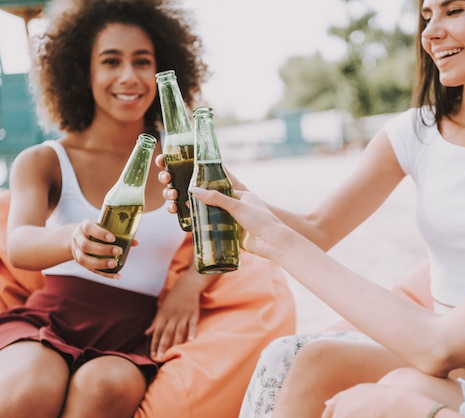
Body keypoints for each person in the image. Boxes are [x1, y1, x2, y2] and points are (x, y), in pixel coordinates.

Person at [185, 0, 465, 415]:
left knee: (401, 387)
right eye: (426, 14)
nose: (432, 31)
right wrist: (230, 195)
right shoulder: (417, 132)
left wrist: (277, 241)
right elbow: (319, 226)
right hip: (449, 332)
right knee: (292, 355)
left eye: (454, 10)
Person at [0, 0, 295, 417]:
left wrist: (189, 287)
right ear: (82, 71)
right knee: (28, 387)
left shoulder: (184, 160)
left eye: (143, 62)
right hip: (52, 319)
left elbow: (230, 227)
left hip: (134, 336)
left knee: (102, 389)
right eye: (110, 61)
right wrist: (74, 239)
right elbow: (19, 244)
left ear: (163, 72)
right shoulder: (45, 160)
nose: (129, 76)